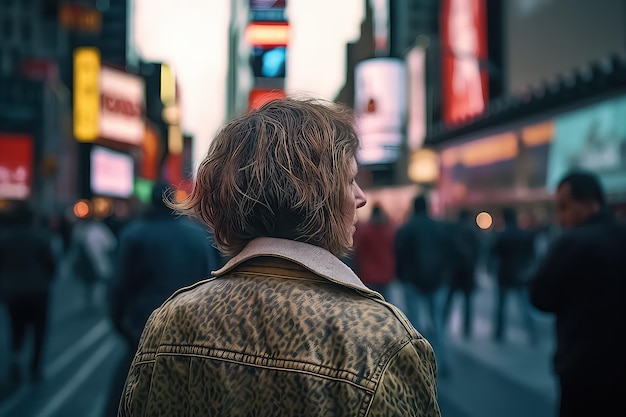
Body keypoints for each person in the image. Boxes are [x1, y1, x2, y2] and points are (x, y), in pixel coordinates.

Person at [117, 97, 440, 417]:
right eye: (349, 180)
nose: (361, 197)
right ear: (316, 194)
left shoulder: (171, 320)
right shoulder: (380, 338)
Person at [104, 180, 223, 417]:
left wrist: (123, 327)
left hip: (143, 331)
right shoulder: (199, 236)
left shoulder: (134, 234)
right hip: (192, 335)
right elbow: (213, 284)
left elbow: (118, 288)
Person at [529, 171, 626, 417]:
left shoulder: (571, 243)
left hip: (582, 365)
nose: (560, 217)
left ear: (588, 203)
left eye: (564, 207)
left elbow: (540, 297)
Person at [395, 194, 452, 376]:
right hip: (437, 280)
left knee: (414, 324)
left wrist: (402, 277)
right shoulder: (440, 227)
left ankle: (419, 364)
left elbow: (399, 254)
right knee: (438, 323)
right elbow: (447, 253)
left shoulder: (406, 229)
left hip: (413, 280)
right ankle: (443, 361)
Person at [0, 205, 57, 385]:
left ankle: (15, 360)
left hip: (13, 291)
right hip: (38, 290)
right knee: (39, 330)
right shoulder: (39, 237)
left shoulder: (4, 239)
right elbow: (50, 263)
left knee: (16, 327)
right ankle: (35, 368)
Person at [490, 207, 538, 345]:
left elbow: (494, 254)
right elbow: (531, 254)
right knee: (525, 306)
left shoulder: (502, 235)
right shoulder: (524, 235)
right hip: (519, 274)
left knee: (500, 307)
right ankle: (532, 333)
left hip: (504, 274)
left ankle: (498, 334)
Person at [443, 210, 479, 339]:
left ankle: (443, 324)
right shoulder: (472, 231)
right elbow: (477, 250)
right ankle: (467, 329)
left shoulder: (453, 230)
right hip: (468, 270)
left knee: (449, 299)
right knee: (468, 301)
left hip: (455, 270)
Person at [352, 204, 397, 300]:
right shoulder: (389, 230)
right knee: (388, 302)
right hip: (387, 272)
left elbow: (359, 252)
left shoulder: (366, 231)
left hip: (369, 274)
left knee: (374, 302)